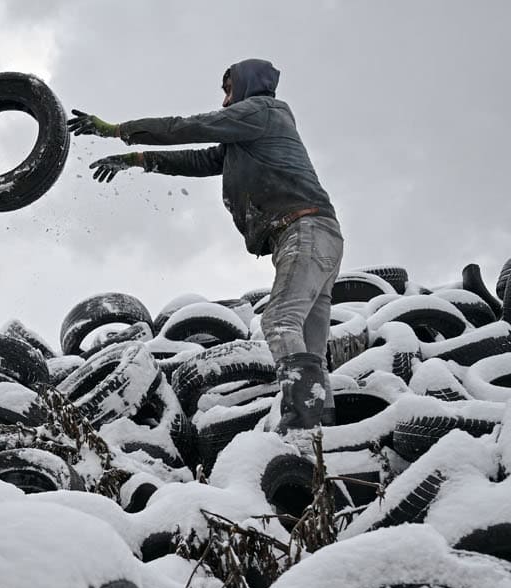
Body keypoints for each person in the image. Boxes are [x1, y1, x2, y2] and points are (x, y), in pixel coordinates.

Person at [68, 58, 343, 433]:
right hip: (315, 236)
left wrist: (119, 130)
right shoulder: (247, 136)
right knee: (308, 345)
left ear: (247, 85)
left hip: (305, 230)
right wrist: (137, 160)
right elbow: (200, 159)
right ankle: (321, 429)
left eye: (229, 90)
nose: (226, 102)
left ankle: (300, 422)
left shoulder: (262, 111)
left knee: (279, 321)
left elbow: (191, 128)